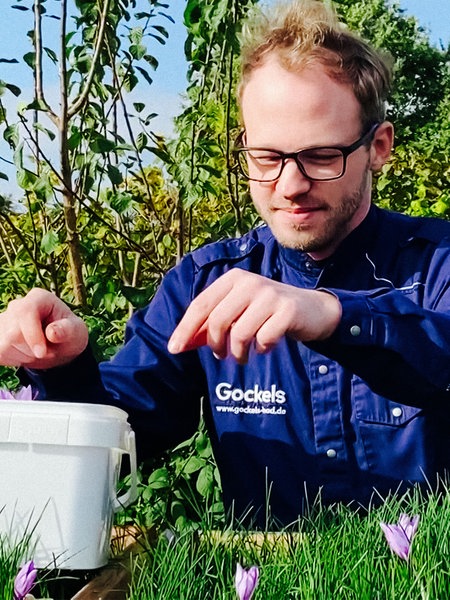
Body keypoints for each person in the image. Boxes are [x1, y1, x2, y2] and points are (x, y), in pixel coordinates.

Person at [2, 0, 450, 527]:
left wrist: (334, 315)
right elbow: (129, 436)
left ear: (378, 146)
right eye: (266, 157)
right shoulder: (204, 283)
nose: (290, 185)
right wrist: (63, 366)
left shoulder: (438, 263)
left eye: (322, 157)